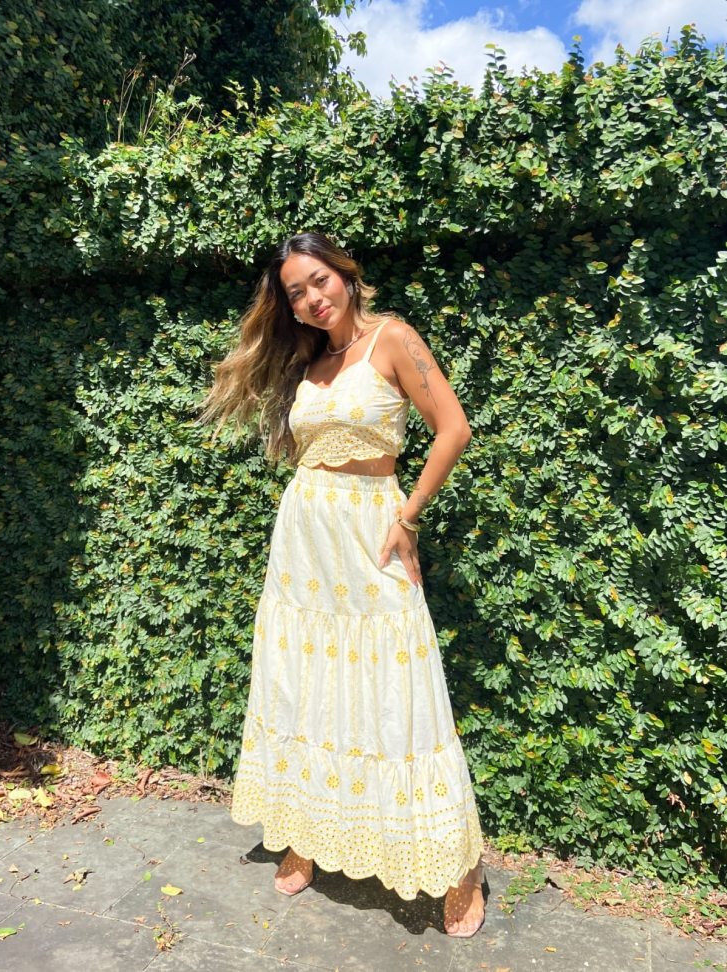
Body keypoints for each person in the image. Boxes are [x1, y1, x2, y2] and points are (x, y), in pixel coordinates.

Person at [196, 231, 485, 937]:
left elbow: (453, 429)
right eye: (295, 293)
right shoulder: (310, 360)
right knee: (302, 681)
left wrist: (408, 518)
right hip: (305, 535)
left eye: (318, 281)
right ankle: (305, 833)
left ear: (346, 276)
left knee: (402, 690)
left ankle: (457, 868)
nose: (311, 298)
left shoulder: (393, 338)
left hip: (370, 529)